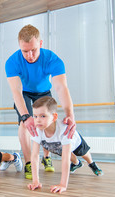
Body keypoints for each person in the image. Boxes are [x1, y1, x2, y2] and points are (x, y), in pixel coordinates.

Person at [5, 24, 76, 179]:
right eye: (25, 51)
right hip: (24, 93)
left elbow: (61, 88)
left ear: (40, 44)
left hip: (44, 92)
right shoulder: (12, 62)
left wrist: (70, 114)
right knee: (25, 124)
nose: (30, 55)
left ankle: (47, 157)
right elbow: (16, 91)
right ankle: (29, 163)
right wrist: (25, 116)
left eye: (33, 50)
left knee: (48, 123)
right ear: (19, 47)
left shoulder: (52, 59)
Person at [27, 96, 103, 194]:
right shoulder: (38, 129)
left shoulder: (64, 130)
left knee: (84, 154)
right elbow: (34, 156)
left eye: (43, 116)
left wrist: (63, 185)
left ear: (54, 117)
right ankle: (77, 164)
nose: (37, 120)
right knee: (67, 155)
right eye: (35, 116)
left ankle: (92, 164)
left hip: (75, 143)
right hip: (57, 146)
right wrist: (35, 181)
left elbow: (65, 160)